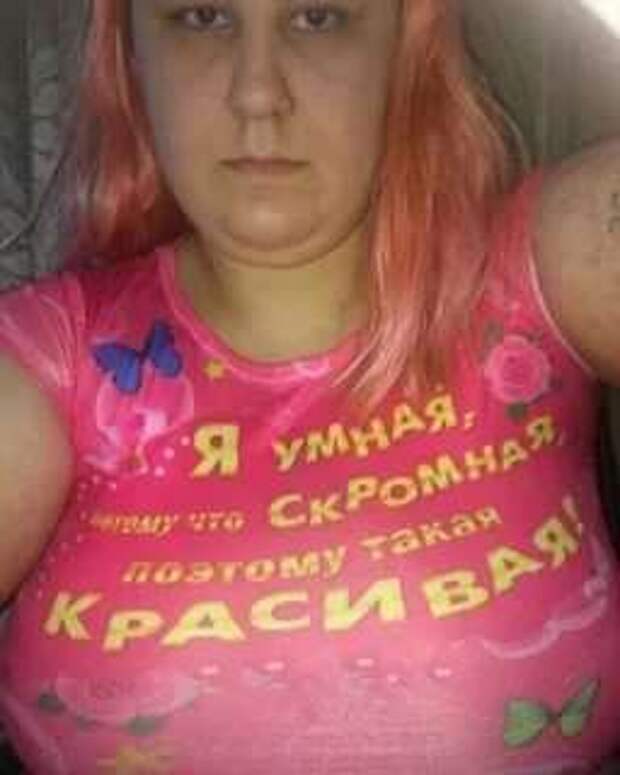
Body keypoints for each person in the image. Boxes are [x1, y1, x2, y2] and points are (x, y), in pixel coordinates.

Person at [0, 1, 619, 772]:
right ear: (132, 54)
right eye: (201, 17)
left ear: (405, 45)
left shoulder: (544, 271)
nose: (258, 93)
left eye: (319, 17)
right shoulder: (51, 359)